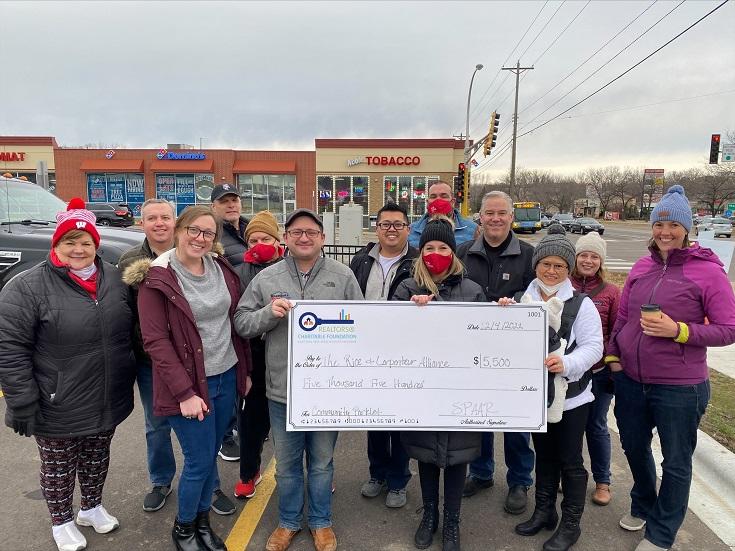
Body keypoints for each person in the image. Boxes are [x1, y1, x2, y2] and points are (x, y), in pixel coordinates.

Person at [0, 198, 136, 551]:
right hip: (56, 398)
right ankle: (61, 521)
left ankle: (91, 508)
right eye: (69, 242)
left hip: (107, 393)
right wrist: (21, 399)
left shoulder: (116, 279)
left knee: (97, 455)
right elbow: (10, 348)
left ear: (96, 244)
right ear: (56, 245)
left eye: (86, 242)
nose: (79, 249)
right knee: (59, 465)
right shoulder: (26, 287)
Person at [607, 185, 735, 551]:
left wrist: (678, 331)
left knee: (676, 462)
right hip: (631, 379)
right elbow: (625, 317)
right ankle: (644, 505)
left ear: (687, 228)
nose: (665, 232)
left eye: (673, 225)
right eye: (659, 224)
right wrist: (615, 356)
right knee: (633, 447)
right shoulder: (643, 266)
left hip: (680, 386)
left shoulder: (709, 273)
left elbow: (729, 329)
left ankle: (662, 533)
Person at [234, 208, 363, 551]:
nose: (303, 237)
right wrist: (268, 313)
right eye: (296, 232)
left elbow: (364, 324)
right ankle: (289, 522)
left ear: (322, 238)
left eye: (311, 232)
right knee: (288, 465)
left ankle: (321, 522)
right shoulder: (267, 278)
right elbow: (242, 323)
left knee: (321, 463)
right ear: (286, 239)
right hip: (282, 391)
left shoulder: (343, 276)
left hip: (327, 393)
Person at [128, 205, 252, 551]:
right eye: (194, 231)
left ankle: (201, 523)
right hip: (189, 386)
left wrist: (243, 371)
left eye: (208, 233)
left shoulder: (221, 268)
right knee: (198, 460)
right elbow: (155, 342)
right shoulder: (157, 278)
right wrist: (184, 392)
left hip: (225, 376)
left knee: (210, 454)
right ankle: (184, 528)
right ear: (179, 230)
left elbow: (234, 323)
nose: (200, 238)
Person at [392, 216, 484, 551]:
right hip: (421, 390)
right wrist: (412, 313)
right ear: (420, 251)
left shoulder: (472, 291)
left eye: (442, 246)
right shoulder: (406, 288)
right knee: (426, 454)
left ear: (453, 251)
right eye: (429, 247)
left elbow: (484, 340)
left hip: (460, 390)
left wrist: (505, 314)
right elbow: (389, 336)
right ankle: (429, 513)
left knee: (458, 458)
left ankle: (452, 521)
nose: (435, 252)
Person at [512, 224, 603, 551]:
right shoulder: (525, 297)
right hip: (537, 396)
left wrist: (567, 364)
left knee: (570, 460)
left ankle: (571, 523)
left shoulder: (582, 304)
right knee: (544, 456)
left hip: (571, 399)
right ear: (536, 265)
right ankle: (544, 511)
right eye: (546, 264)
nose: (551, 271)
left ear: (569, 269)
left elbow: (594, 347)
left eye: (559, 266)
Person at [456, 190, 536, 514]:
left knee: (516, 422)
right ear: (480, 217)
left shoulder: (529, 255)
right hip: (473, 349)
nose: (496, 219)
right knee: (479, 415)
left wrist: (515, 301)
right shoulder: (463, 253)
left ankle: (519, 480)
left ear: (511, 217)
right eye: (489, 213)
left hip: (515, 354)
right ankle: (482, 472)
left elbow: (536, 293)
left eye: (502, 213)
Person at [350, 202, 418, 509]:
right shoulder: (361, 260)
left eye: (397, 224)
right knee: (375, 418)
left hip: (405, 351)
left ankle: (398, 479)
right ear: (376, 228)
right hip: (369, 351)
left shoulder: (419, 262)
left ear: (407, 228)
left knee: (401, 420)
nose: (391, 229)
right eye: (385, 224)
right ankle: (377, 473)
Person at [118, 198, 179, 512]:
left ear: (174, 221)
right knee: (157, 424)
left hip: (189, 357)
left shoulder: (191, 254)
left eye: (165, 217)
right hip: (149, 359)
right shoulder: (130, 261)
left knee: (200, 422)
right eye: (152, 218)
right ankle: (161, 480)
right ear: (142, 224)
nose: (159, 223)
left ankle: (210, 483)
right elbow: (125, 314)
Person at [231, 211, 284, 499]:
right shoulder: (238, 272)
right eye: (253, 239)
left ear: (278, 240)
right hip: (253, 358)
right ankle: (249, 472)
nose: (259, 243)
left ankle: (315, 471)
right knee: (251, 421)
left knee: (300, 423)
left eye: (265, 238)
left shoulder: (291, 268)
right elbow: (237, 319)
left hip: (290, 357)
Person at [569, 231, 620, 507]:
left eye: (594, 256)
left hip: (599, 373)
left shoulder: (611, 292)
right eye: (583, 255)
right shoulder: (565, 285)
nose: (588, 261)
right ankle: (571, 475)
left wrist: (610, 363)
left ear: (601, 261)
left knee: (596, 425)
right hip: (570, 372)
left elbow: (616, 331)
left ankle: (603, 481)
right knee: (570, 427)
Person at [210, 182, 249, 467]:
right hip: (227, 317)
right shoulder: (213, 236)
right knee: (228, 382)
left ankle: (243, 426)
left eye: (234, 200)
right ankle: (227, 435)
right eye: (224, 201)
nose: (231, 205)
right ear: (214, 207)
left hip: (253, 316)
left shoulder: (250, 230)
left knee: (247, 378)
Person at [408, 181, 477, 249]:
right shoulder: (411, 231)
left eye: (444, 196)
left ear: (452, 202)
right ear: (427, 202)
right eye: (433, 196)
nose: (438, 200)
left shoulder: (473, 230)